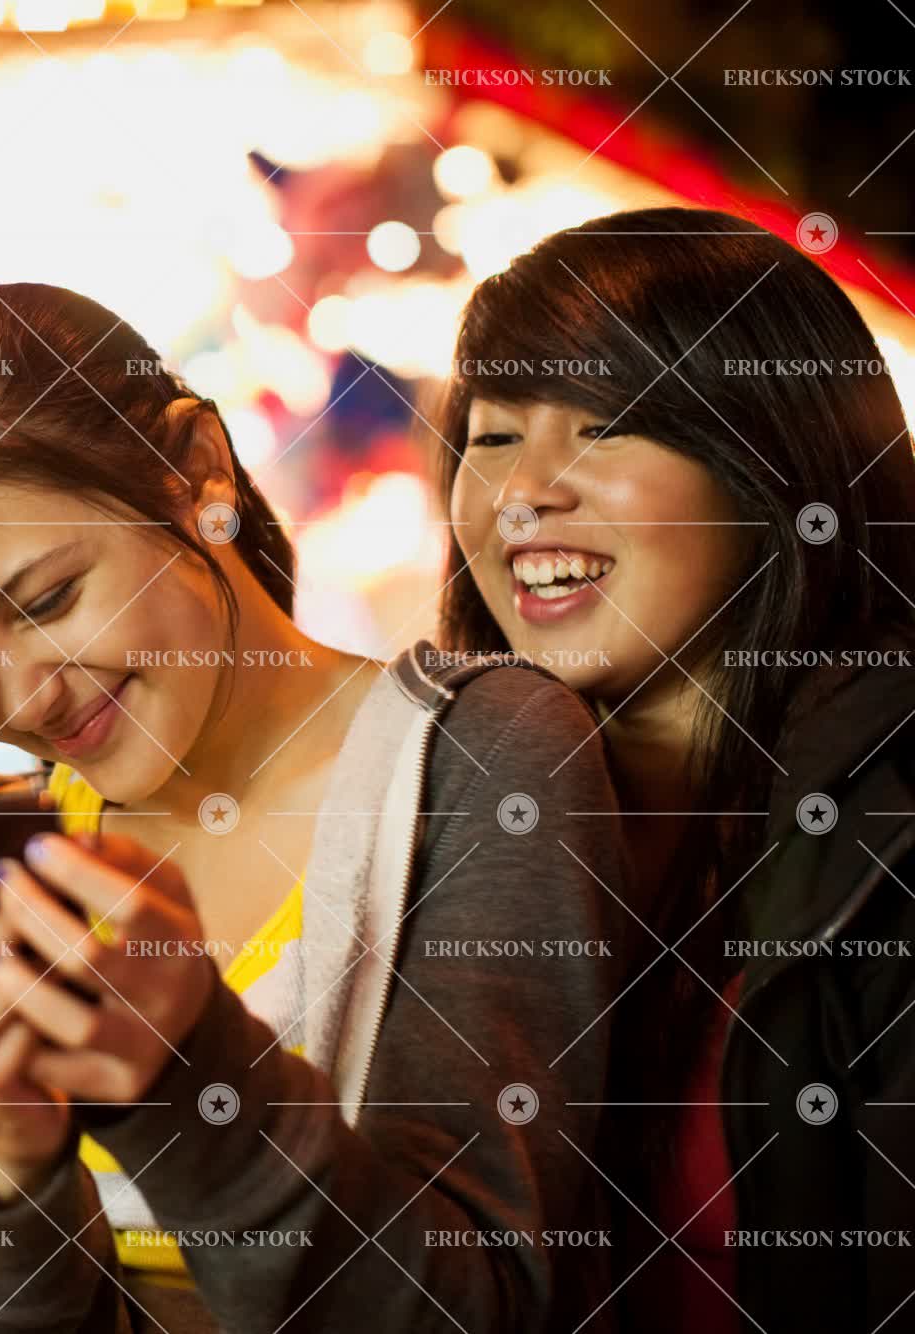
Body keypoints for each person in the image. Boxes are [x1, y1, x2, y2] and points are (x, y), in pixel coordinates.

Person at [0, 282, 636, 1332]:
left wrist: (184, 1070)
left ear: (196, 469)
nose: (25, 698)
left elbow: (476, 1307)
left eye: (50, 599)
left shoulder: (476, 760)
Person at [437, 205, 915, 1332]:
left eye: (602, 425)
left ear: (775, 461)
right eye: (492, 437)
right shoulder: (434, 819)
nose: (521, 493)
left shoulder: (889, 839)